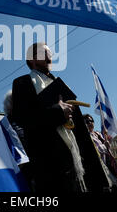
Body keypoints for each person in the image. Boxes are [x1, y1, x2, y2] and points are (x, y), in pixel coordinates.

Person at [10, 42, 109, 192]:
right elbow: (24, 118)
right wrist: (57, 112)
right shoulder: (22, 83)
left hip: (77, 162)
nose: (50, 56)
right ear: (32, 59)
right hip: (50, 165)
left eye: (51, 53)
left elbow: (80, 132)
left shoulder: (61, 86)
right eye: (45, 53)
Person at [83, 113, 117, 179]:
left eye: (91, 121)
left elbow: (107, 148)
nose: (90, 123)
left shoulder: (98, 133)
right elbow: (92, 151)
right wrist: (104, 146)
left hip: (108, 165)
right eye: (87, 122)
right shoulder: (85, 136)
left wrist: (107, 140)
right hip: (99, 168)